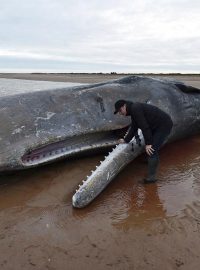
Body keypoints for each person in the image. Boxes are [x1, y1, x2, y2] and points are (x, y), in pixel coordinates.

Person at [114, 99, 173, 184]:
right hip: (156, 126)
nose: (120, 113)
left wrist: (149, 143)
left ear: (124, 106)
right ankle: (150, 160)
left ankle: (151, 178)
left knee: (152, 149)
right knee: (150, 145)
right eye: (118, 112)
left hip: (163, 125)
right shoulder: (133, 109)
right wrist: (126, 140)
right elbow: (134, 126)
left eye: (120, 111)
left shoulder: (135, 108)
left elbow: (144, 127)